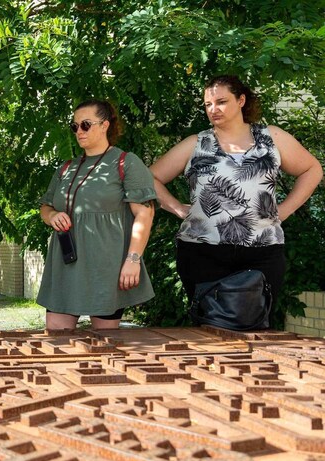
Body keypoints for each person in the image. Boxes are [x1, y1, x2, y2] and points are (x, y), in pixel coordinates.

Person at [150, 75, 322, 306]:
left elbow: (312, 169)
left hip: (262, 252)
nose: (213, 109)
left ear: (241, 100)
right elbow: (149, 178)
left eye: (221, 101)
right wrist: (178, 208)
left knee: (256, 325)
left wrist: (285, 210)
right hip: (202, 252)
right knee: (210, 328)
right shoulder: (196, 143)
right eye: (208, 104)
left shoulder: (271, 138)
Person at [38, 99, 157, 330]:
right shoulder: (66, 167)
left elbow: (145, 215)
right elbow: (45, 206)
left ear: (105, 125)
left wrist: (133, 260)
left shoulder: (126, 162)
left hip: (107, 266)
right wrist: (52, 216)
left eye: (85, 124)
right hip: (66, 264)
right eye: (74, 126)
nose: (79, 131)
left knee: (105, 344)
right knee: (57, 339)